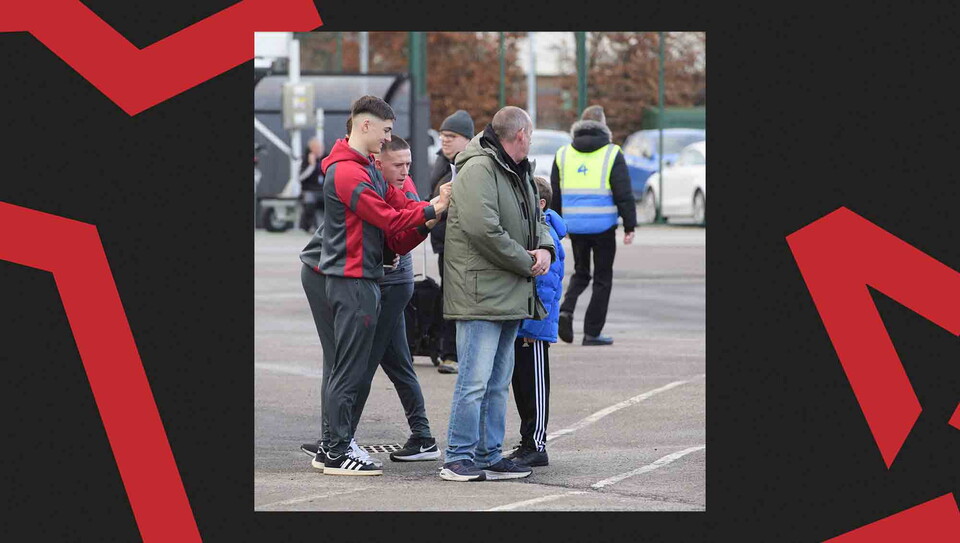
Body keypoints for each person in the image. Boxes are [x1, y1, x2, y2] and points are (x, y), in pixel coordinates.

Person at [299, 96, 450, 476]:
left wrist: (429, 210)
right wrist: (434, 209)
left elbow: (400, 213)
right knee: (349, 368)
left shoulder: (364, 166)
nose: (387, 139)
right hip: (350, 278)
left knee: (351, 365)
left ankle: (335, 446)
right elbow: (387, 218)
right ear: (365, 126)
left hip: (362, 277)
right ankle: (336, 449)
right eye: (385, 132)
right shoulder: (349, 172)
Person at [439, 106, 556, 482]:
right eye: (531, 135)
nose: (531, 141)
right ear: (520, 135)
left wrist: (545, 249)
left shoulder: (517, 169)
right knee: (473, 382)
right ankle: (458, 456)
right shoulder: (479, 168)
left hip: (507, 291)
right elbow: (483, 230)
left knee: (496, 381)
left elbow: (536, 219)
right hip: (480, 293)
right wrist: (527, 261)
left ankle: (489, 453)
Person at [348, 135, 443, 462]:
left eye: (408, 165)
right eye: (399, 165)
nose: (405, 171)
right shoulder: (367, 178)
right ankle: (423, 437)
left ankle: (340, 438)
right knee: (398, 363)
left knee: (362, 364)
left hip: (392, 285)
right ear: (378, 161)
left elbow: (407, 226)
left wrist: (428, 216)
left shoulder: (400, 184)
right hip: (384, 283)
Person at [551, 105, 637, 346]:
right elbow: (623, 192)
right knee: (602, 278)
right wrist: (630, 225)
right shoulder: (612, 153)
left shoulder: (563, 154)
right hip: (603, 227)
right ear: (603, 124)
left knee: (580, 272)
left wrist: (558, 226)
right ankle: (592, 332)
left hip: (574, 226)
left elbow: (554, 193)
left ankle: (566, 310)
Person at [506, 176, 565, 468]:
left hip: (535, 328)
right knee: (522, 385)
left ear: (539, 204)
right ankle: (527, 440)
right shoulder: (532, 231)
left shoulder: (548, 236)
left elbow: (546, 287)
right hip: (523, 325)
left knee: (535, 386)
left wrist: (531, 326)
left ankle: (537, 444)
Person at [427, 109, 475, 375]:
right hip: (444, 243)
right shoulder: (443, 163)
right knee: (446, 295)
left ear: (467, 139)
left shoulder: (469, 165)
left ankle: (450, 353)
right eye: (443, 136)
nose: (444, 140)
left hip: (461, 245)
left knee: (454, 298)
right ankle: (442, 349)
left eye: (451, 136)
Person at [298, 137, 325, 232]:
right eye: (316, 148)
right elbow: (301, 177)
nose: (319, 150)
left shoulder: (327, 158)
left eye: (320, 147)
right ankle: (308, 226)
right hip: (310, 190)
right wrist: (312, 166)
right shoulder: (306, 160)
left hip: (323, 190)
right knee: (310, 201)